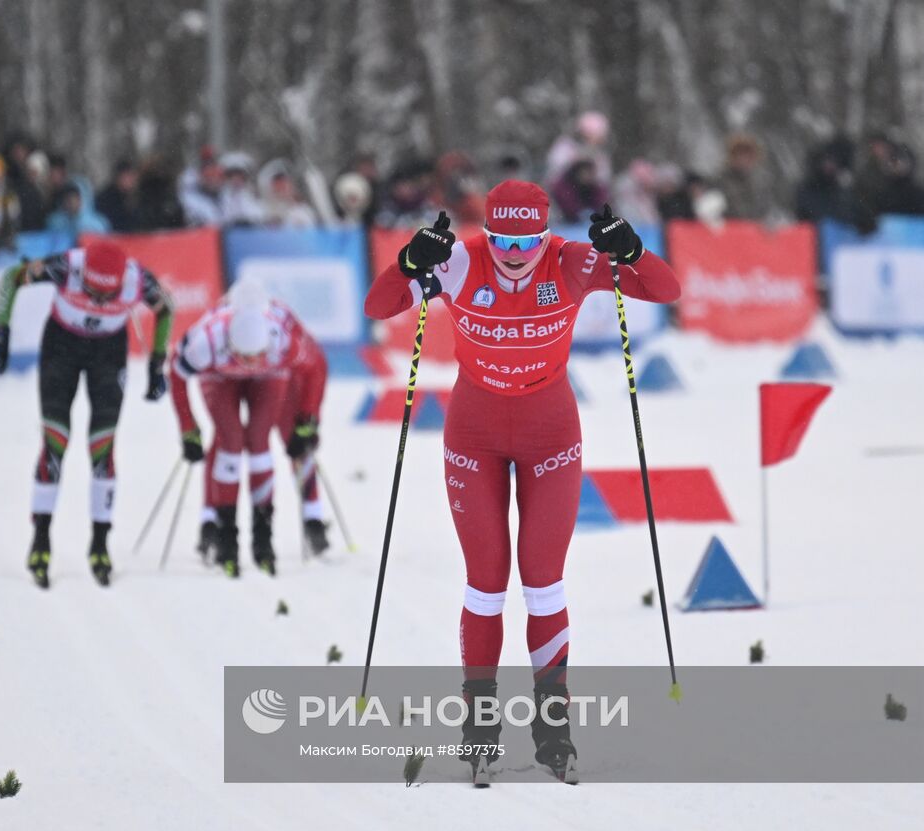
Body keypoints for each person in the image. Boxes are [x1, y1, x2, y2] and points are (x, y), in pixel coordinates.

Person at [363, 181, 681, 782]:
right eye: (502, 238)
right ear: (489, 232)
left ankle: (552, 729)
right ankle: (480, 725)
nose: (513, 252)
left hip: (550, 438)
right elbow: (380, 307)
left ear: (544, 233)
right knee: (486, 581)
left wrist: (631, 249)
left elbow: (666, 290)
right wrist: (412, 261)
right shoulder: (459, 262)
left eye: (526, 239)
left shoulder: (572, 260)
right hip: (474, 438)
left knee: (543, 580)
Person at [0, 242, 174, 589]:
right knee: (55, 442)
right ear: (83, 276)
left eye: (107, 295)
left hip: (108, 353)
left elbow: (166, 308)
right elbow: (13, 278)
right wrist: (1, 332)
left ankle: (100, 542)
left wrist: (157, 363)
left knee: (102, 447)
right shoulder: (66, 266)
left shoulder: (137, 280)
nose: (99, 301)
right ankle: (40, 538)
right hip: (62, 348)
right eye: (92, 291)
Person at [169, 281, 326, 576]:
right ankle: (224, 534)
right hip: (220, 377)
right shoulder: (207, 341)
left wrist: (307, 421)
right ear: (230, 343)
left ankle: (263, 537)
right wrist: (188, 429)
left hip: (270, 377)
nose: (251, 363)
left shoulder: (282, 341)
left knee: (258, 440)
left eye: (256, 356)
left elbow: (316, 368)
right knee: (229, 441)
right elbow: (176, 375)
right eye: (244, 356)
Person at [719, 134, 779, 221]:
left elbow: (767, 211)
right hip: (731, 231)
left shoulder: (762, 183)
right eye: (739, 155)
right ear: (731, 157)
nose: (743, 160)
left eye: (748, 156)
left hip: (755, 232)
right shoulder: (720, 182)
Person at [45, 177, 110, 239]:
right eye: (67, 198)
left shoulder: (97, 224)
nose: (71, 202)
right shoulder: (55, 222)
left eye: (75, 198)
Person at [96, 159, 141, 233]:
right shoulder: (105, 199)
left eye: (131, 176)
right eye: (125, 176)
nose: (128, 180)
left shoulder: (139, 196)